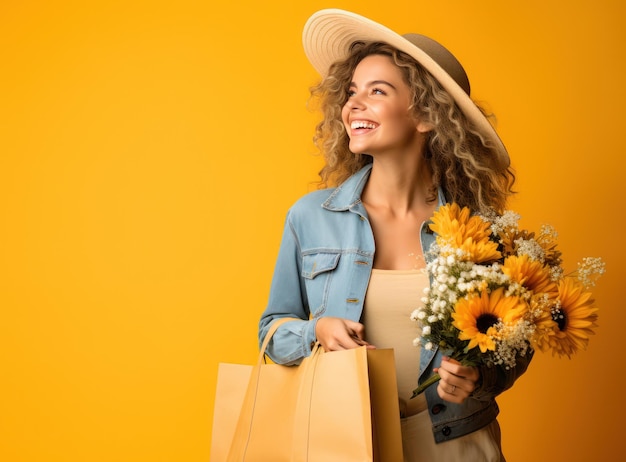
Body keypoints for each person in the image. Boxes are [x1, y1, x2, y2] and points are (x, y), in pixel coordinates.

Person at [258, 8, 530, 461]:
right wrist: (316, 331)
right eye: (351, 92)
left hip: (457, 443)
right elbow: (272, 331)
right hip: (346, 440)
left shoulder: (476, 229)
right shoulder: (310, 217)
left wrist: (480, 378)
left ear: (426, 116)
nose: (353, 105)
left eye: (377, 91)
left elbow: (513, 343)